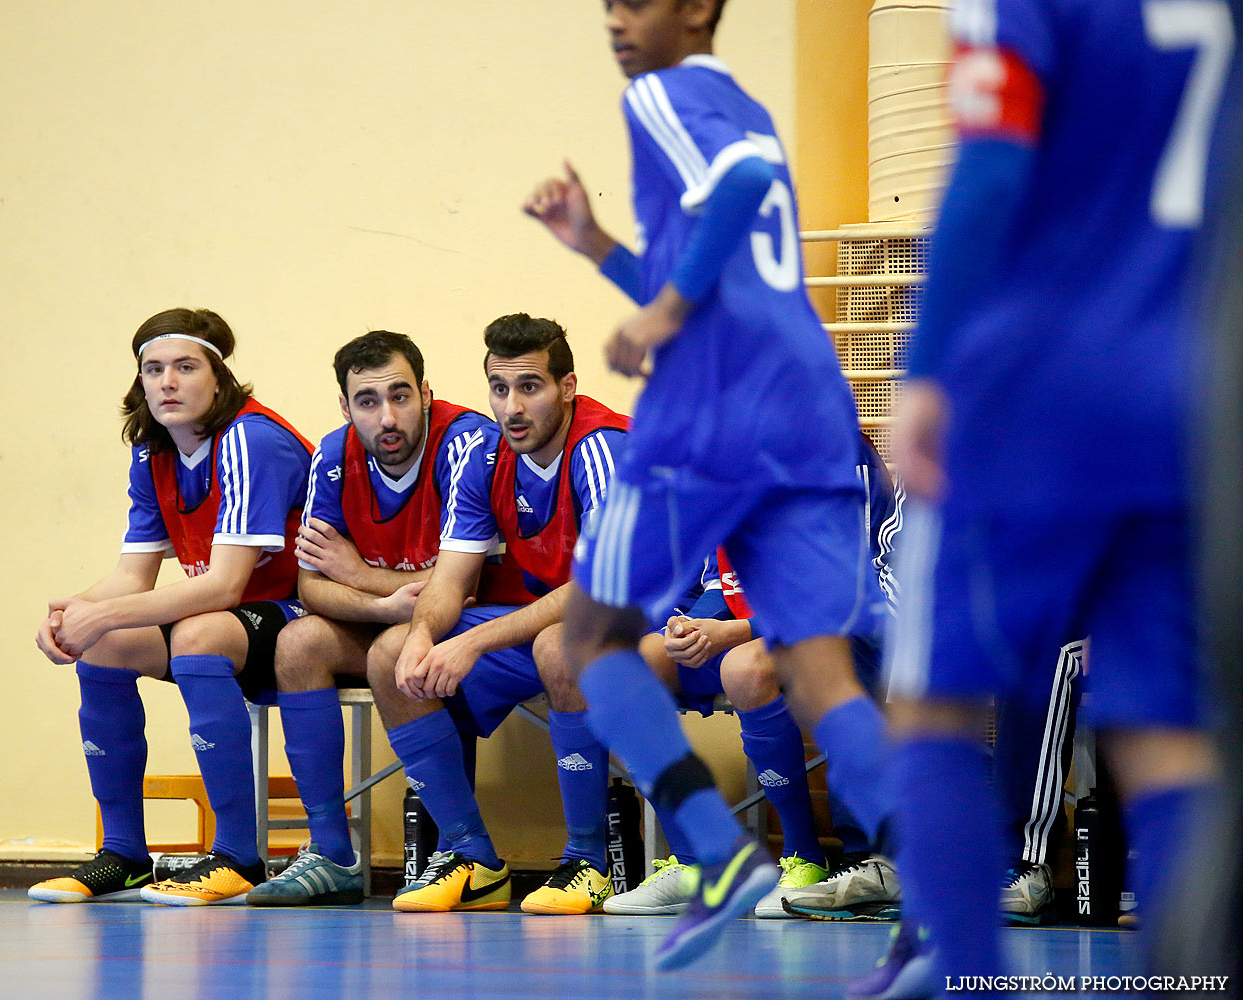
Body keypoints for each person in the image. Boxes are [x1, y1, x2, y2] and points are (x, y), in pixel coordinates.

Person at [864, 0, 1229, 992]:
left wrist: (930, 369)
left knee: (932, 705)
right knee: (1166, 735)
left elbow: (989, 165)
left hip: (1033, 391)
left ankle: (965, 977)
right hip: (1188, 395)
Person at [524, 0, 893, 968]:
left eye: (635, 2)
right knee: (818, 669)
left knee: (591, 637)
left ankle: (720, 857)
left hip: (718, 406)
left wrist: (666, 314)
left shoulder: (662, 94)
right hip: (808, 406)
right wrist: (596, 242)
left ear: (697, 10)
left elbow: (741, 186)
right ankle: (940, 895)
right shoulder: (747, 104)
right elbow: (710, 249)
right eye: (606, 4)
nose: (614, 20)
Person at [28, 307, 313, 906]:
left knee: (197, 633)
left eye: (185, 367)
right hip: (230, 622)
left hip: (305, 616)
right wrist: (72, 614)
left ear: (219, 379)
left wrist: (105, 613)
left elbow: (225, 587)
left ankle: (238, 855)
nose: (168, 382)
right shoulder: (152, 453)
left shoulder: (251, 439)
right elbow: (132, 576)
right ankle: (125, 855)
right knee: (103, 644)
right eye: (153, 370)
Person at [368, 313, 628, 914]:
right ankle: (472, 858)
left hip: (646, 619)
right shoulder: (486, 457)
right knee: (389, 656)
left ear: (567, 387)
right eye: (499, 387)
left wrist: (474, 643)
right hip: (543, 619)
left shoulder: (601, 448)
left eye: (530, 387)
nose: (512, 406)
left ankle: (589, 863)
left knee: (559, 647)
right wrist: (424, 634)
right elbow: (450, 577)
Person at [599, 431, 901, 918]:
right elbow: (711, 578)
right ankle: (696, 863)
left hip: (830, 632)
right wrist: (683, 626)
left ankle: (804, 857)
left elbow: (849, 588)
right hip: (743, 624)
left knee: (744, 667)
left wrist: (734, 633)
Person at [245, 330, 497, 906]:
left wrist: (357, 574)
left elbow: (463, 585)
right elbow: (310, 585)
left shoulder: (467, 442)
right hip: (397, 621)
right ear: (344, 406)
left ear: (427, 394)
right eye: (367, 400)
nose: (388, 416)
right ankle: (331, 853)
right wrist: (385, 605)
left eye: (401, 396)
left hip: (475, 625)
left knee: (393, 647)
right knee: (299, 642)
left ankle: (469, 850)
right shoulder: (332, 458)